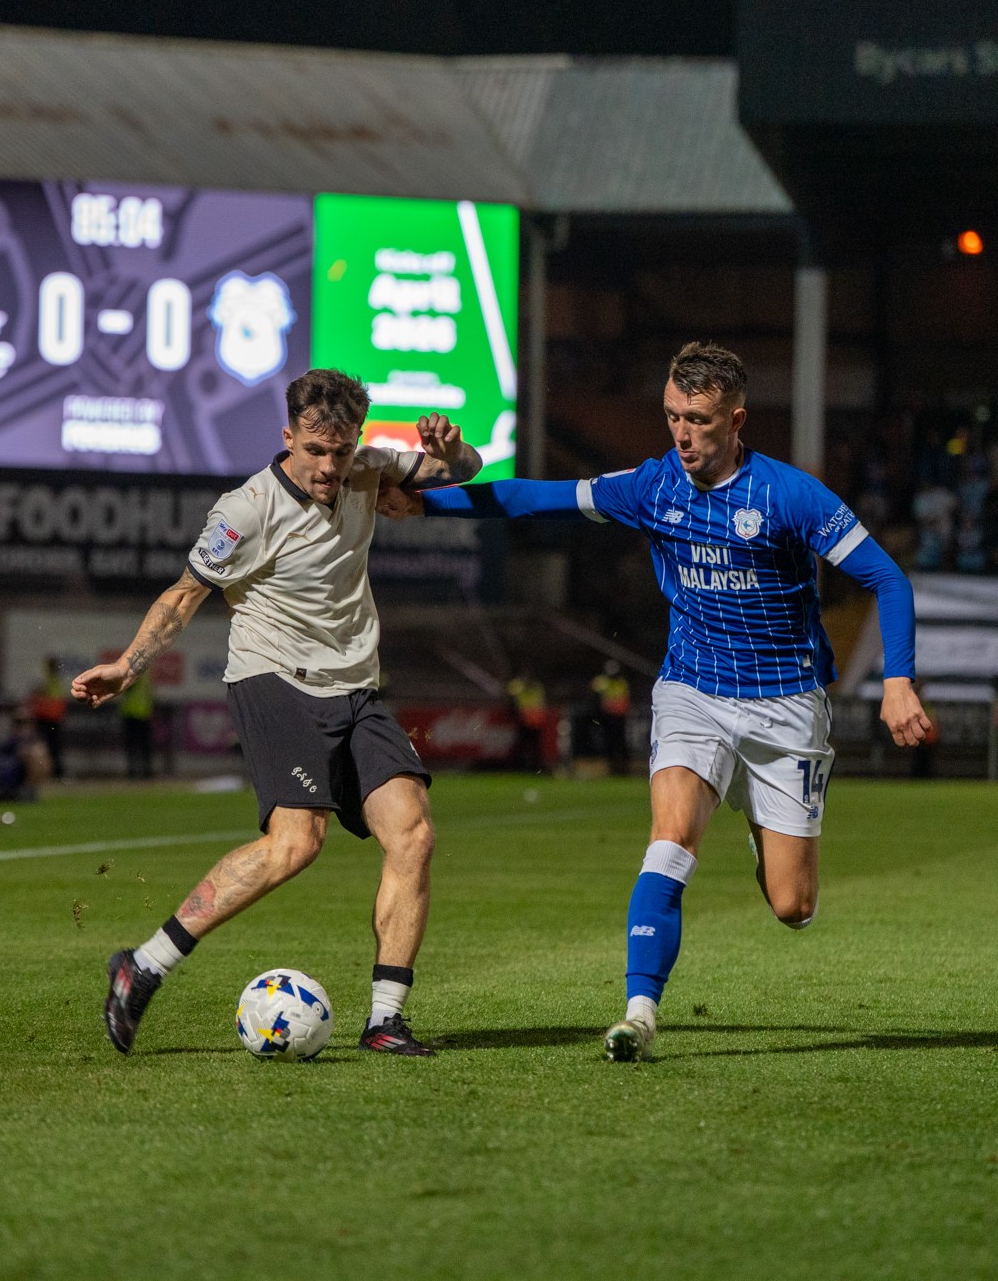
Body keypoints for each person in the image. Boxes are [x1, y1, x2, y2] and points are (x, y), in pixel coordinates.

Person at [381, 341, 927, 1062]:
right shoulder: (651, 486)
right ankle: (639, 1013)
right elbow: (533, 497)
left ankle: (763, 823)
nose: (681, 433)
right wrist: (427, 503)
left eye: (697, 419)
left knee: (792, 906)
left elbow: (888, 578)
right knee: (669, 842)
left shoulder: (791, 495)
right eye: (671, 416)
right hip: (692, 692)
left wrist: (898, 682)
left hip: (785, 706)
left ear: (735, 419)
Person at [76, 369, 481, 1058]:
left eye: (341, 451)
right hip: (275, 680)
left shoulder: (367, 469)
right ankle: (142, 966)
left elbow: (460, 469)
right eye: (316, 451)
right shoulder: (247, 509)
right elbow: (183, 596)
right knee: (297, 843)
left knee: (411, 833)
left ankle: (385, 1017)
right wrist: (128, 663)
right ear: (288, 435)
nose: (329, 467)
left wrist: (453, 446)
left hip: (355, 686)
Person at [28, 658, 70, 779]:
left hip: (54, 719)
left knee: (54, 747)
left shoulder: (55, 679)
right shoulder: (44, 679)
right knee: (45, 747)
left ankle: (55, 773)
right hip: (44, 718)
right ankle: (47, 773)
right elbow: (37, 695)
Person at [591, 660, 633, 776]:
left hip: (619, 718)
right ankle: (612, 768)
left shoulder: (621, 683)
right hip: (606, 718)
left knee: (621, 743)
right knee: (609, 742)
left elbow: (625, 700)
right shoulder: (602, 681)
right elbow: (594, 694)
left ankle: (624, 768)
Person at [505, 671, 551, 773]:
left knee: (535, 748)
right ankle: (519, 768)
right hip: (524, 722)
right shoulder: (517, 687)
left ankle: (536, 768)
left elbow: (542, 704)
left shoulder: (537, 687)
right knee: (521, 747)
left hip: (536, 722)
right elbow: (511, 701)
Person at [118, 660, 157, 779]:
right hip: (131, 714)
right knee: (133, 746)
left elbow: (149, 695)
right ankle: (133, 772)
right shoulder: (132, 675)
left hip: (143, 714)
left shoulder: (146, 675)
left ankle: (146, 772)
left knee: (144, 747)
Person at [909, 678, 940, 779]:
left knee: (923, 759)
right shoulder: (918, 702)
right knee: (920, 758)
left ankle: (923, 776)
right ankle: (919, 776)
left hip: (925, 737)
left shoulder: (923, 703)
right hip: (920, 736)